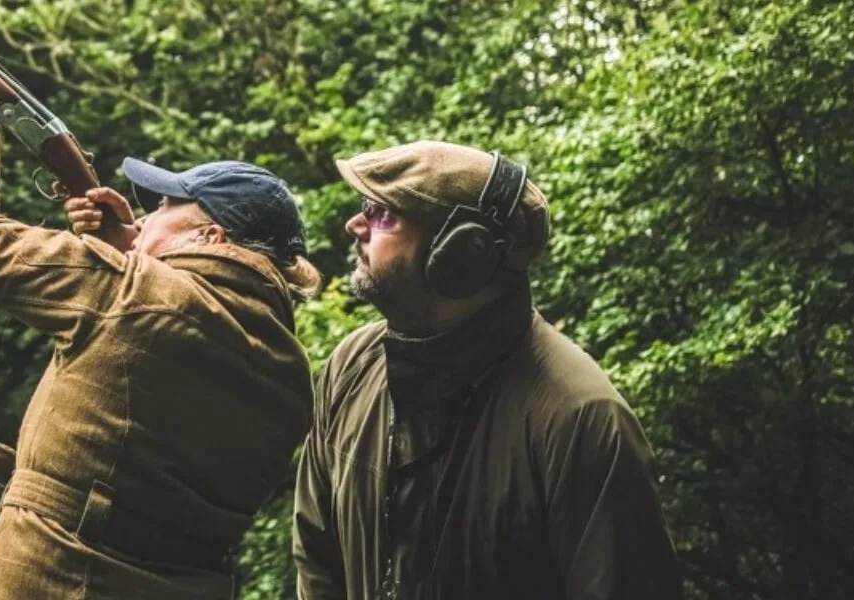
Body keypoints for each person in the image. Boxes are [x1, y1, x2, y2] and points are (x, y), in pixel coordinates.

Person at [0, 52, 320, 598]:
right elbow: (134, 414)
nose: (145, 215)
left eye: (166, 207)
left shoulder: (128, 293)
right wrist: (129, 251)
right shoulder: (291, 377)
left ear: (210, 237)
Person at [292, 141, 682, 599]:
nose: (355, 225)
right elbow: (317, 557)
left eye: (383, 213)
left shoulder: (582, 420)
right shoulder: (351, 366)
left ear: (460, 256)